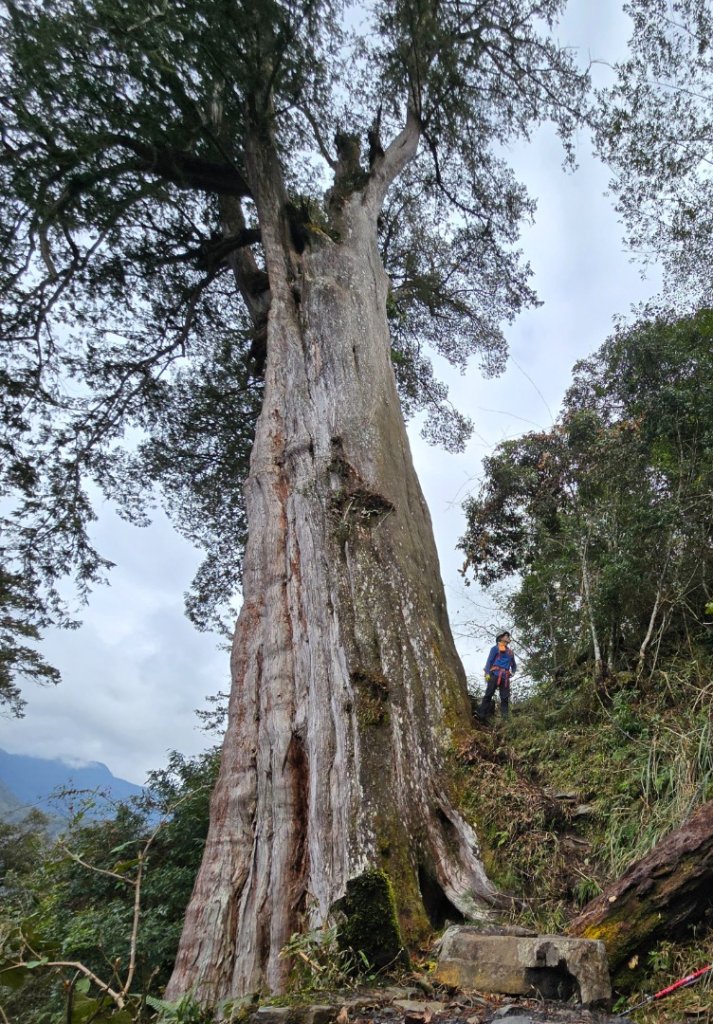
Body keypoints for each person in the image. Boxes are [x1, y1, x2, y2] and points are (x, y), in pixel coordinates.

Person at [477, 631, 516, 721]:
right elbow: (489, 662)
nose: (508, 637)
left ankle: (505, 720)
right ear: (500, 637)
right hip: (494, 675)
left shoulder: (510, 652)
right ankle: (481, 715)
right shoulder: (495, 648)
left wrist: (512, 672)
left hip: (505, 678)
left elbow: (514, 665)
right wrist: (487, 673)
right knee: (488, 695)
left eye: (508, 636)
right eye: (506, 636)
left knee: (505, 698)